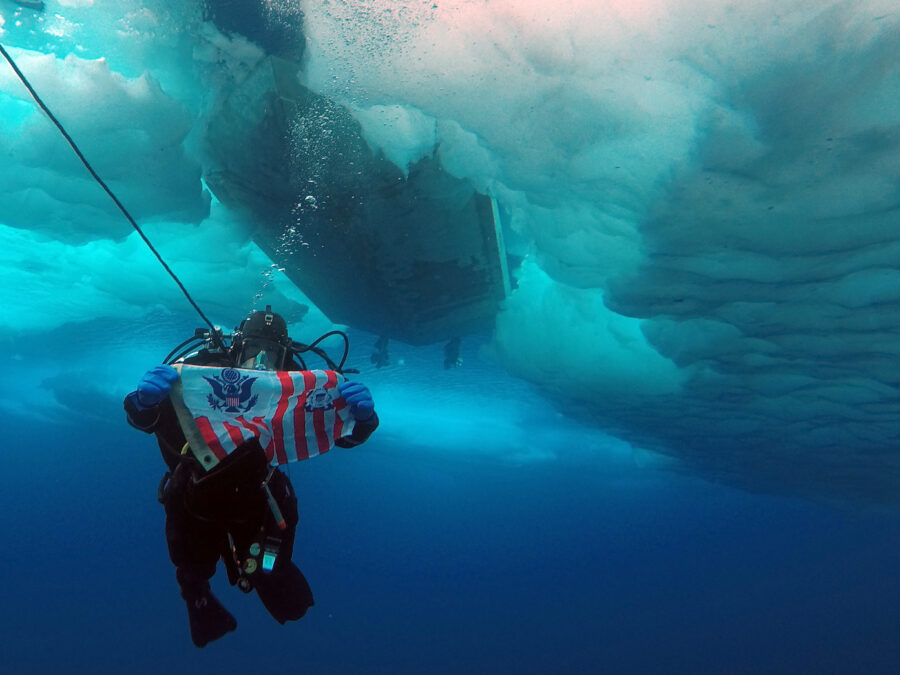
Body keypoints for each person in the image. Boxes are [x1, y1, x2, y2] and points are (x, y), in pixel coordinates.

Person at [124, 307, 378, 647]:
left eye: (272, 354)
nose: (261, 361)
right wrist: (142, 403)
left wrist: (362, 420)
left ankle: (261, 572)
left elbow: (338, 434)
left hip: (259, 489)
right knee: (192, 559)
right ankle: (196, 592)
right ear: (237, 347)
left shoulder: (294, 385)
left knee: (276, 577)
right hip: (198, 486)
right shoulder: (202, 370)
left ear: (285, 354)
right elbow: (150, 421)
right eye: (253, 350)